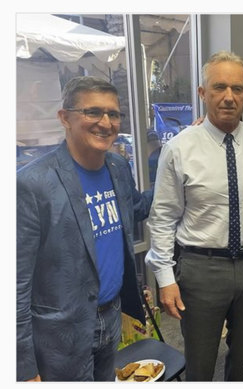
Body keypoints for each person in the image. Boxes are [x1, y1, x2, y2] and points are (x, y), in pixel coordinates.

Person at [145, 51, 243, 381]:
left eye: (237, 89)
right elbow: (163, 217)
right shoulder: (180, 148)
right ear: (202, 93)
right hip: (200, 269)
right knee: (201, 359)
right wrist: (165, 278)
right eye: (219, 87)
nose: (228, 96)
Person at [17, 76, 153, 381]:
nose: (105, 123)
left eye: (113, 114)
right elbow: (14, 285)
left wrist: (176, 168)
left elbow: (134, 211)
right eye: (92, 112)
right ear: (65, 118)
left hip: (111, 316)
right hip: (60, 334)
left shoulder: (118, 167)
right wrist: (23, 367)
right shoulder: (32, 184)